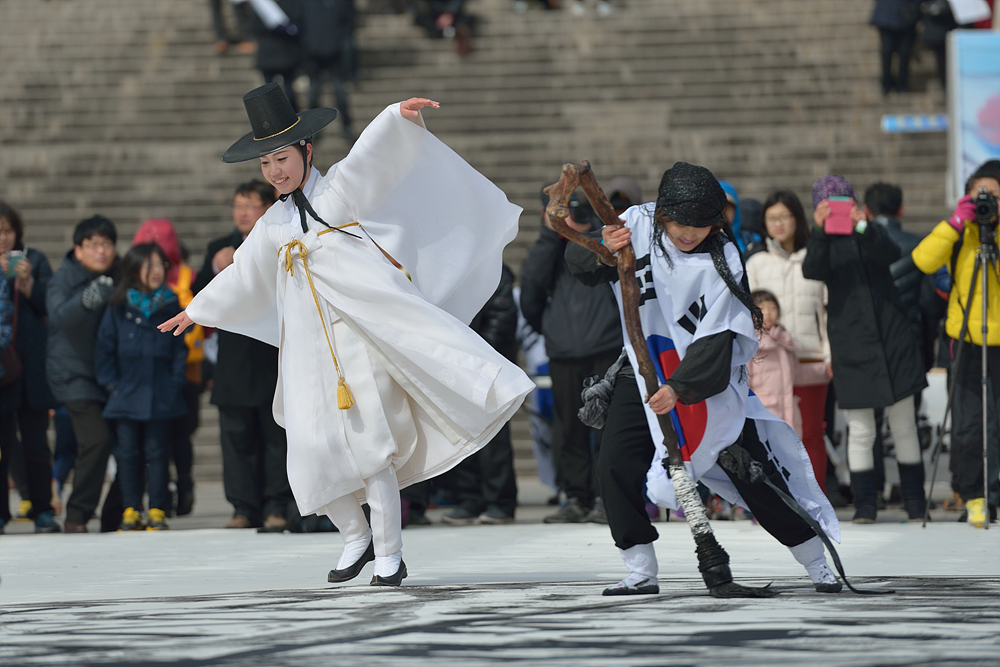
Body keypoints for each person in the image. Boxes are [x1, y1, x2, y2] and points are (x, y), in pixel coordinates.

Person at [160, 83, 532, 585]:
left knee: (372, 447)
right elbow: (242, 274)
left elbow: (372, 159)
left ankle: (389, 553)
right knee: (309, 450)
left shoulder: (338, 191)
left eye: (282, 158)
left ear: (307, 150)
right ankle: (354, 536)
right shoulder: (272, 224)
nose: (275, 171)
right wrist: (197, 309)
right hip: (306, 354)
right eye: (266, 162)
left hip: (358, 343)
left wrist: (396, 116)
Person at [565, 162, 840, 595]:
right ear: (663, 215)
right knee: (615, 464)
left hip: (705, 380)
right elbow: (579, 264)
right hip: (641, 369)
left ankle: (815, 560)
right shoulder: (635, 224)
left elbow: (719, 336)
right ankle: (639, 567)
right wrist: (602, 246)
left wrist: (680, 387)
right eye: (681, 225)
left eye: (700, 226)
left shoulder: (723, 256)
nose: (689, 235)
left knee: (751, 473)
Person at [801, 175, 927, 523]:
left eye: (844, 201)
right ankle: (865, 505)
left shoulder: (869, 232)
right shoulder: (823, 243)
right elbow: (812, 269)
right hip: (852, 345)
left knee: (904, 425)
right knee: (861, 429)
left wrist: (862, 225)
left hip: (893, 340)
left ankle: (915, 503)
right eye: (828, 205)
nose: (838, 209)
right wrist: (820, 230)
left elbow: (891, 253)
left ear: (856, 203)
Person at [194, 180, 296, 531]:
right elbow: (199, 300)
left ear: (268, 209)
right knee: (236, 439)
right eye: (238, 205)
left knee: (275, 437)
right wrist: (214, 269)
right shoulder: (219, 249)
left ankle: (276, 505)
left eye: (251, 205)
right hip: (234, 362)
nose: (242, 212)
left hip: (271, 356)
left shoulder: (281, 241)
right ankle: (242, 507)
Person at [521, 188, 623, 524]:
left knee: (608, 428)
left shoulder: (602, 238)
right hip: (563, 351)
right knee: (569, 428)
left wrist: (588, 231)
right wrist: (551, 234)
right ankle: (577, 497)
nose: (572, 218)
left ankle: (608, 498)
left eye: (576, 211)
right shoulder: (550, 247)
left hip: (606, 346)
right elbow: (532, 287)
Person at [912, 161, 1000, 527]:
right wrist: (956, 223)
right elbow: (923, 260)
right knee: (969, 424)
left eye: (995, 196)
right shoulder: (959, 231)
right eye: (980, 195)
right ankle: (974, 495)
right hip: (965, 339)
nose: (988, 202)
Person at [95, 244, 189, 531]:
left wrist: (175, 384)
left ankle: (157, 509)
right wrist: (112, 385)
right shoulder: (118, 306)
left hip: (160, 393)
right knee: (127, 455)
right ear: (134, 270)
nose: (156, 271)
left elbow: (179, 350)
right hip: (125, 393)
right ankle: (131, 509)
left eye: (160, 265)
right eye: (149, 265)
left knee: (158, 453)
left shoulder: (171, 304)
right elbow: (104, 350)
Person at [746, 190, 832, 492]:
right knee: (770, 436)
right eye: (772, 218)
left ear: (798, 219)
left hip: (810, 360)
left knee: (811, 434)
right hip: (768, 365)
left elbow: (827, 311)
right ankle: (778, 500)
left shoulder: (814, 258)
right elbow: (747, 313)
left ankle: (815, 499)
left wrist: (829, 354)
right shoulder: (756, 263)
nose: (778, 224)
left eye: (785, 216)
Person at [47, 215, 120, 533]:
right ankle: (76, 515)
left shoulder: (120, 275)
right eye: (93, 245)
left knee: (132, 444)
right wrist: (89, 298)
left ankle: (115, 515)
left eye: (107, 244)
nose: (101, 251)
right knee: (96, 440)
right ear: (78, 250)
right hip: (73, 374)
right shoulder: (63, 279)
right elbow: (59, 318)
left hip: (111, 374)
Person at [133, 219, 205, 517]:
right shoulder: (186, 277)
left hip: (179, 369)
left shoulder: (185, 277)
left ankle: (175, 488)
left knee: (172, 435)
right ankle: (175, 487)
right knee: (173, 436)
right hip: (172, 370)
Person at [440, 265, 519, 525]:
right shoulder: (450, 271)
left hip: (487, 364)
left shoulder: (492, 269)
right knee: (460, 432)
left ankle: (500, 501)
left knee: (493, 435)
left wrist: (478, 358)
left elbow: (502, 318)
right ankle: (469, 498)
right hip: (454, 365)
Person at [0, 201, 60, 533]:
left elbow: (49, 304)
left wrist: (28, 283)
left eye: (8, 231)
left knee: (36, 442)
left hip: (32, 367)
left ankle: (42, 509)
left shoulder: (34, 259)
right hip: (2, 369)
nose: (3, 238)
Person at [748, 290, 801, 434]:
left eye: (772, 308)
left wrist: (827, 371)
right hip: (764, 411)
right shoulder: (750, 344)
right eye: (761, 308)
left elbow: (798, 374)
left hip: (788, 411)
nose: (767, 313)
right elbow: (744, 382)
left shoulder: (785, 341)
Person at [301, 0, 355, 140]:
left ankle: (346, 126)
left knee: (339, 91)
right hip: (313, 53)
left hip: (334, 52)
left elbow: (347, 21)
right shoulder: (306, 4)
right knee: (313, 92)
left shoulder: (337, 3)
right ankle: (314, 129)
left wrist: (338, 42)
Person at [869, 0, 921, 95]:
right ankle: (893, 84)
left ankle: (895, 84)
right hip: (894, 16)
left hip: (899, 16)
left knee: (901, 53)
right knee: (890, 53)